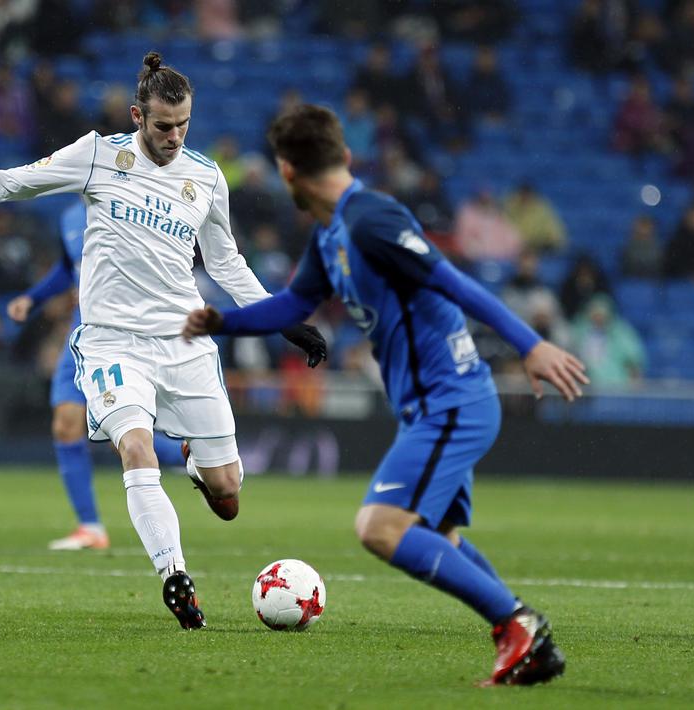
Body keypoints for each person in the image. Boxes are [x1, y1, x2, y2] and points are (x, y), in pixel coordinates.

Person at [0, 52, 326, 629]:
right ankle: (174, 575)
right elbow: (13, 181)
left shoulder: (204, 176)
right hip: (111, 342)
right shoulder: (98, 154)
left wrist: (284, 316)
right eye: (162, 126)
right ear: (136, 115)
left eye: (183, 125)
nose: (174, 137)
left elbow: (227, 263)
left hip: (186, 342)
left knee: (227, 496)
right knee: (135, 446)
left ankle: (199, 469)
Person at [183, 104, 589, 686]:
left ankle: (519, 626)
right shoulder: (331, 236)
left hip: (453, 400)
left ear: (286, 172)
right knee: (440, 538)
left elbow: (451, 278)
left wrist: (530, 345)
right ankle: (528, 640)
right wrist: (222, 323)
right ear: (344, 156)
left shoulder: (372, 218)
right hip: (430, 406)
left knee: (380, 527)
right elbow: (294, 306)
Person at [6, 199, 190, 551]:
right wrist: (33, 298)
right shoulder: (70, 215)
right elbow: (67, 267)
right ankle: (90, 527)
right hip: (82, 334)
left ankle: (190, 455)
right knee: (66, 423)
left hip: (122, 334)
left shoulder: (128, 207)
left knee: (118, 432)